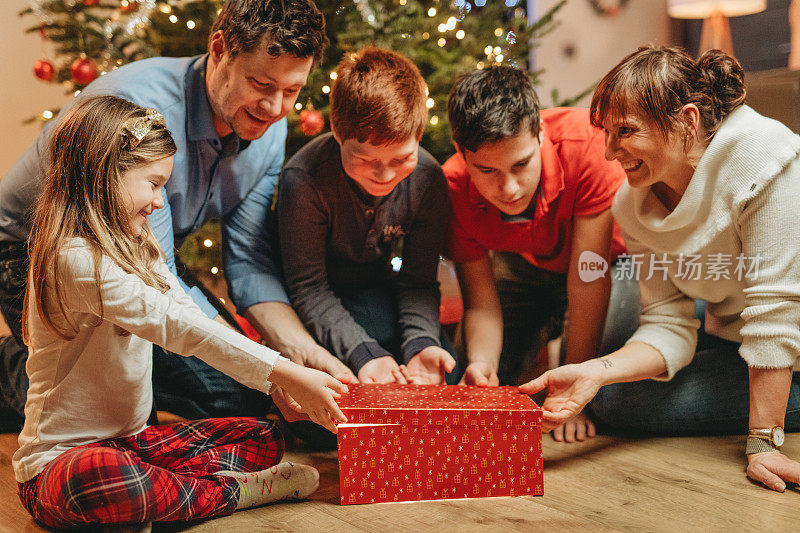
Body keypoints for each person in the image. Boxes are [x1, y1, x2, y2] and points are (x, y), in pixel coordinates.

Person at [0, 0, 355, 428]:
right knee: (111, 414)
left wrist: (298, 350)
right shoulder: (139, 110)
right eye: (261, 83)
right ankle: (19, 365)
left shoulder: (271, 128)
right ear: (220, 49)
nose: (275, 108)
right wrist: (269, 369)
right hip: (36, 249)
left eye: (292, 91)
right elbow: (160, 286)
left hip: (142, 254)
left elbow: (249, 261)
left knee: (237, 397)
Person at [13, 96, 348, 529]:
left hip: (133, 447)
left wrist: (274, 384)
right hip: (60, 467)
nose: (158, 202)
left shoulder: (137, 245)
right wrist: (285, 370)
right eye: (152, 183)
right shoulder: (74, 259)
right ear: (104, 173)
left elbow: (191, 313)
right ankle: (234, 491)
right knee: (97, 480)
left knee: (261, 436)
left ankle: (167, 491)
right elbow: (175, 327)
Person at [522, 46, 800, 492]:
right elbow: (667, 321)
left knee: (621, 407)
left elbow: (775, 313)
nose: (610, 152)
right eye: (606, 134)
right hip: (736, 336)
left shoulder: (763, 159)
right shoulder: (632, 206)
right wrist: (597, 370)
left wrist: (763, 442)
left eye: (625, 132)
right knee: (610, 394)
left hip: (790, 342)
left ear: (687, 120)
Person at [443, 66, 639, 442]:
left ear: (540, 134)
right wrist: (484, 364)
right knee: (468, 378)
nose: (509, 187)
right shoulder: (452, 186)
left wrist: (570, 394)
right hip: (528, 265)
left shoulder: (588, 146)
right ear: (461, 154)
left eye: (521, 164)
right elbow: (481, 304)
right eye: (487, 171)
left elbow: (588, 278)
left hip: (611, 264)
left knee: (605, 392)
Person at [277, 46, 457, 389]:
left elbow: (418, 280)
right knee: (334, 400)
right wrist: (363, 352)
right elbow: (308, 287)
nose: (385, 175)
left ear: (418, 136)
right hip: (316, 297)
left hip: (377, 287)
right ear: (336, 130)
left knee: (443, 370)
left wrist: (421, 341)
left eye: (402, 158)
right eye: (366, 159)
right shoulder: (304, 180)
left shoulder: (428, 179)